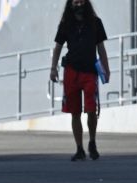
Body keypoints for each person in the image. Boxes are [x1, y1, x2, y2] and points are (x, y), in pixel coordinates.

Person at [50, 0, 110, 161]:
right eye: (75, 0)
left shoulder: (96, 23)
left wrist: (106, 68)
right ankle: (79, 148)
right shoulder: (66, 23)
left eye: (81, 0)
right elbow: (57, 47)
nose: (78, 3)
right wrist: (53, 68)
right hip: (71, 71)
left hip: (90, 71)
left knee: (91, 109)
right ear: (70, 3)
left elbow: (101, 48)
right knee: (74, 112)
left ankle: (92, 142)